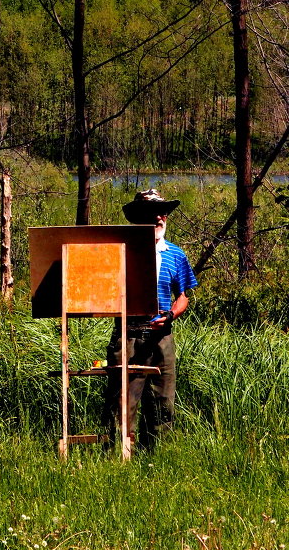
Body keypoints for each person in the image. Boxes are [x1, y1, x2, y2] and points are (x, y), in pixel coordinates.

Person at [102, 188, 198, 451]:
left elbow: (183, 296)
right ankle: (118, 459)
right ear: (137, 219)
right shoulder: (120, 252)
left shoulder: (175, 254)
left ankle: (161, 457)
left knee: (163, 402)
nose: (159, 218)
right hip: (128, 334)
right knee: (123, 401)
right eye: (151, 213)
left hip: (162, 336)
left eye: (162, 212)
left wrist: (170, 315)